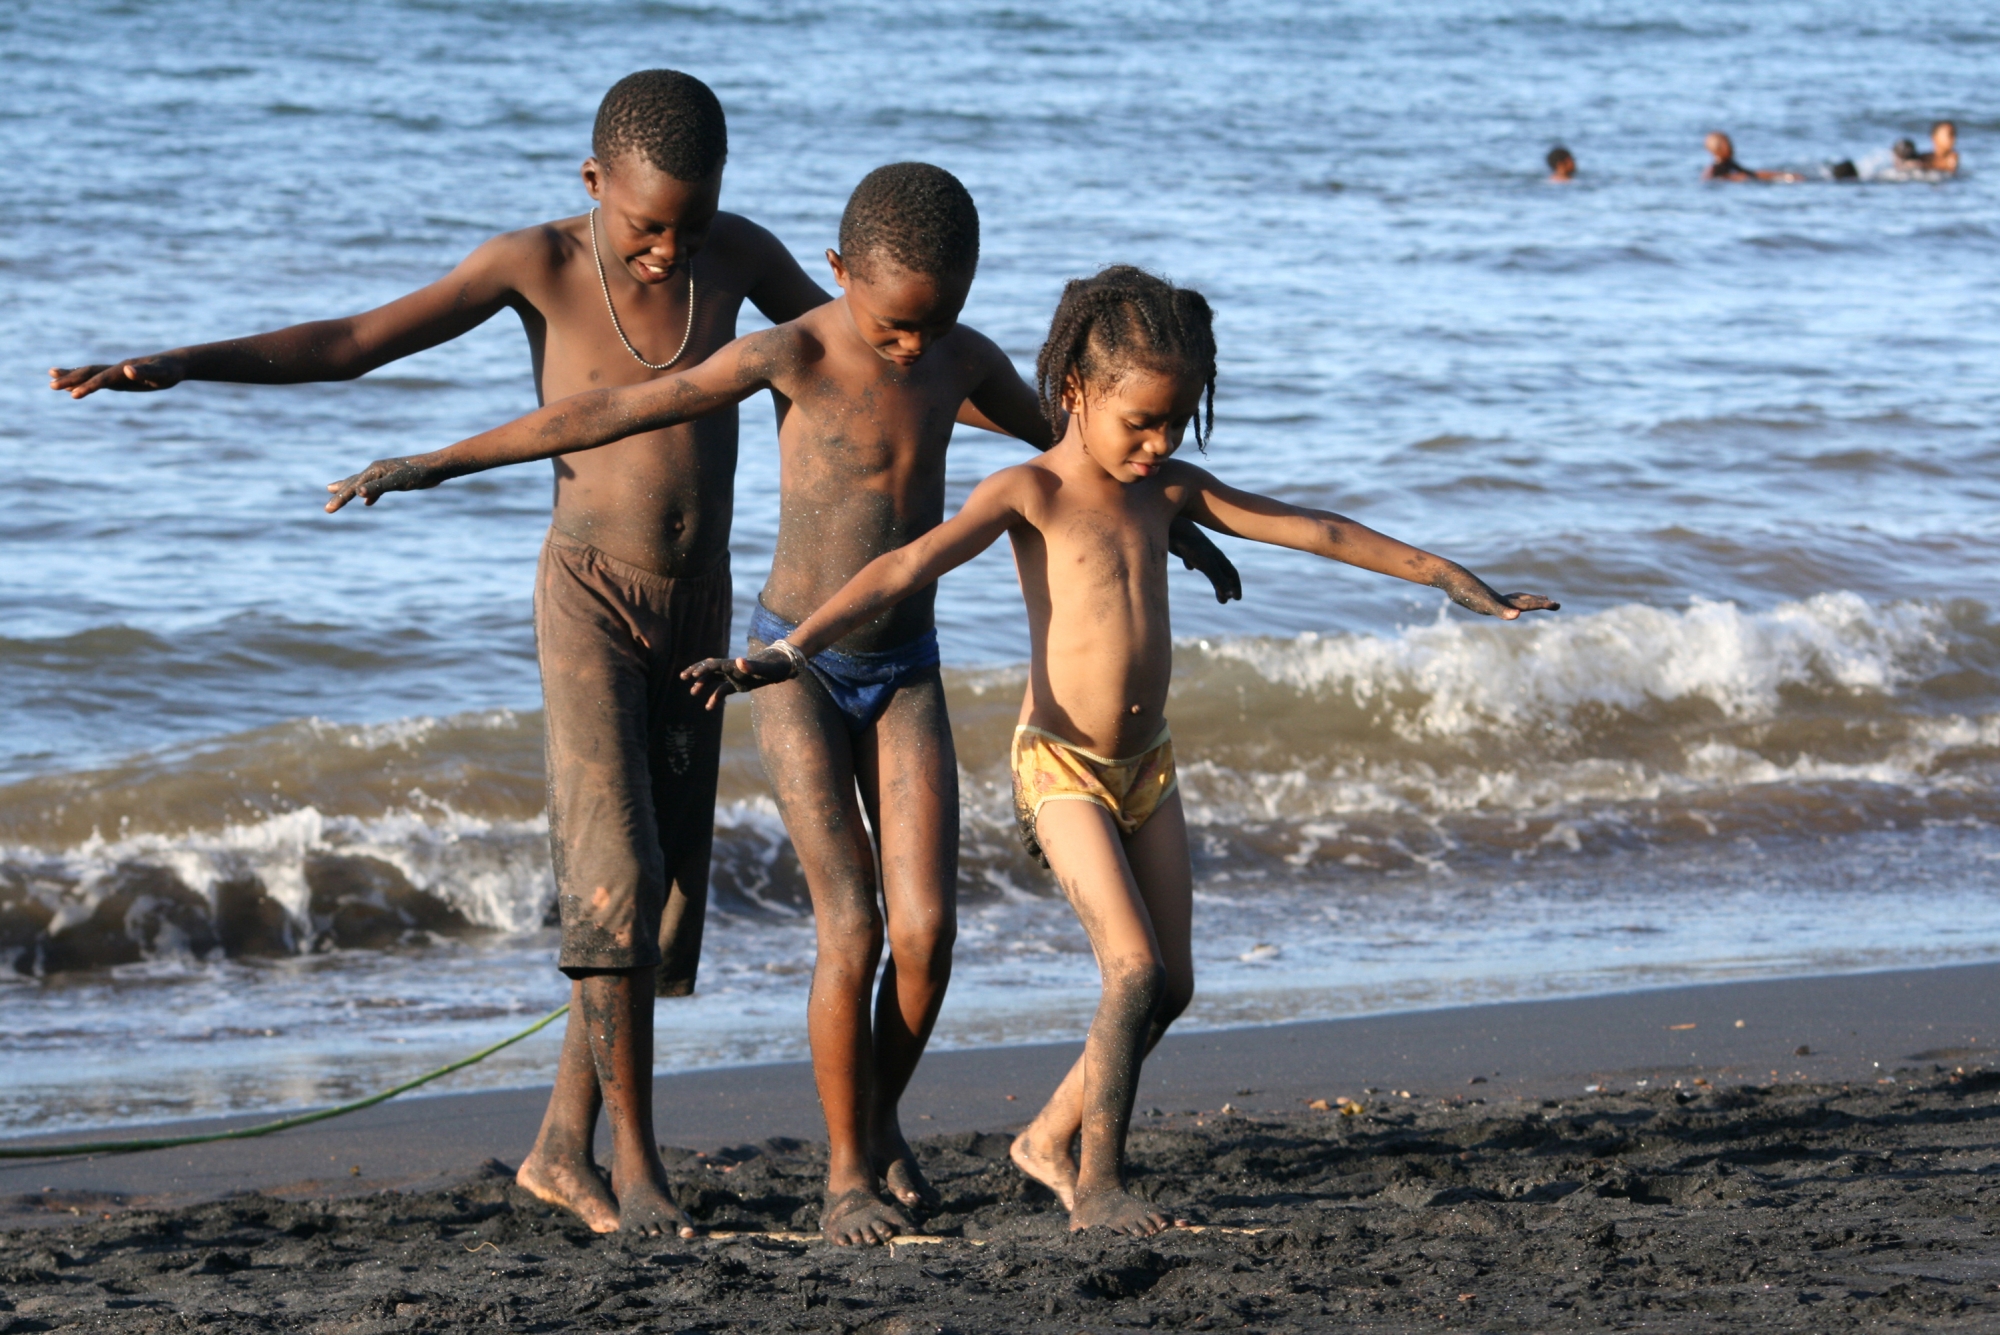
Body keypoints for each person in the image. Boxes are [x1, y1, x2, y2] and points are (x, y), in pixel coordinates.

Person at [321, 168, 1242, 1244]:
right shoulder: (792, 351)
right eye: (898, 323)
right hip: (792, 666)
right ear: (842, 272)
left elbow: (1087, 451)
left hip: (906, 669)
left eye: (939, 319)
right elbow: (619, 407)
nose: (916, 345)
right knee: (848, 924)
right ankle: (846, 1173)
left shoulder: (958, 356)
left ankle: (878, 1116)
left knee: (931, 936)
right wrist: (439, 462)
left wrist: (1173, 522)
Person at [49, 70, 861, 1240]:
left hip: (699, 606)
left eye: (687, 223)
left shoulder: (734, 255)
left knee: (667, 903)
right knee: (612, 884)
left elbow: (858, 352)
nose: (665, 251)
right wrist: (185, 360)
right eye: (643, 227)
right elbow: (352, 342)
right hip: (589, 596)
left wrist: (1046, 420)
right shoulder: (534, 262)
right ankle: (636, 1172)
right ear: (593, 185)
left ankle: (555, 1153)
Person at [679, 266, 1558, 1235]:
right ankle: (1096, 1186)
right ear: (1072, 393)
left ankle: (1047, 1139)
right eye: (1138, 421)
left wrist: (1453, 580)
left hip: (1147, 765)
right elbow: (902, 563)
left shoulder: (1169, 489)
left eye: (1176, 421)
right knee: (1130, 973)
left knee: (1170, 986)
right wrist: (789, 650)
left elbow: (1315, 529)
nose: (1158, 443)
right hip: (1057, 763)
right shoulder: (1030, 491)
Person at [1702, 131, 1801, 183]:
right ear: (1718, 149)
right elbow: (1745, 176)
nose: (1732, 148)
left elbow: (1751, 174)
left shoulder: (1729, 164)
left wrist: (1783, 176)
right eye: (1729, 145)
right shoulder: (1715, 169)